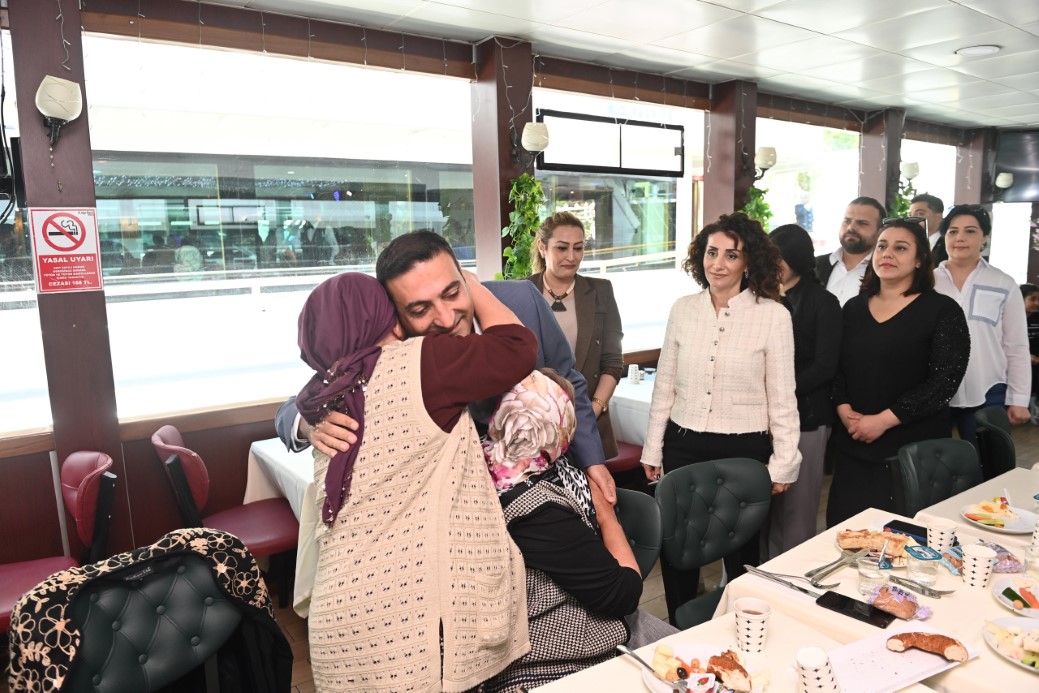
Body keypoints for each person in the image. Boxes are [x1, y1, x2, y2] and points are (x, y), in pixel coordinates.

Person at [297, 272, 535, 692]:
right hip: (405, 610)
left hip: (337, 611)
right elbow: (517, 347)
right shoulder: (423, 359)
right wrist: (469, 286)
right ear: (387, 318)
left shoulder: (323, 396)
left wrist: (300, 424)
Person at [275, 230, 617, 504]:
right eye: (420, 310)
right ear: (395, 316)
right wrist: (307, 423)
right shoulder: (395, 347)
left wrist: (593, 462)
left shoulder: (522, 303)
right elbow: (297, 403)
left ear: (464, 277)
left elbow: (569, 377)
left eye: (453, 293)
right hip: (460, 513)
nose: (446, 317)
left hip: (548, 486)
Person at [640, 212, 801, 623]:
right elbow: (666, 386)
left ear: (748, 263)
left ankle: (741, 626)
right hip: (684, 442)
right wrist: (653, 447)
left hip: (743, 448)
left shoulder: (773, 316)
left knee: (742, 548)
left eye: (732, 255)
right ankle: (679, 629)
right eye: (712, 252)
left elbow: (782, 397)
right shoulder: (683, 309)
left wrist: (784, 461)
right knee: (678, 548)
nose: (719, 263)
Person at [479, 369, 676, 690]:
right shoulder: (535, 506)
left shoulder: (482, 464)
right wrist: (606, 516)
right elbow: (623, 594)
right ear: (561, 426)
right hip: (543, 648)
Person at [826, 219, 970, 527]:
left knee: (903, 544)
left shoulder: (943, 311)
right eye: (882, 246)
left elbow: (944, 382)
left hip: (912, 451)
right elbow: (836, 368)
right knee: (846, 535)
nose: (887, 254)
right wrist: (844, 409)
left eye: (900, 248)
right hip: (853, 444)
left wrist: (883, 420)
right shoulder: (853, 308)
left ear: (919, 260)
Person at [767, 224, 841, 558]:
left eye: (779, 257)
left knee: (797, 507)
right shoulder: (761, 296)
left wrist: (780, 392)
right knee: (761, 507)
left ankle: (791, 579)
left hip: (807, 416)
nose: (773, 263)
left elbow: (825, 367)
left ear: (796, 259)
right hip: (762, 419)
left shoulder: (823, 301)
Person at [527, 211, 625, 459]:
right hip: (535, 426)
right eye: (562, 248)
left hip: (589, 423)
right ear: (542, 247)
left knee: (593, 497)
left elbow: (612, 362)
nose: (571, 257)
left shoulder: (601, 291)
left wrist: (592, 411)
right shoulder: (523, 292)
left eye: (578, 248)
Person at [934, 204, 1031, 445]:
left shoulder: (1003, 283)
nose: (960, 238)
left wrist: (1019, 398)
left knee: (990, 466)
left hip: (988, 389)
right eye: (953, 231)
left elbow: (1016, 345)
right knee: (935, 468)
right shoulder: (927, 282)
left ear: (985, 237)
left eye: (970, 231)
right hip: (933, 391)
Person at [816, 196, 886, 306]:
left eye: (862, 223)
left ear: (880, 232)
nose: (851, 227)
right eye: (847, 221)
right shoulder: (816, 266)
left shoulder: (884, 272)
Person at [909, 193, 947, 264]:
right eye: (910, 215)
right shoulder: (910, 243)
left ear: (938, 217)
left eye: (920, 214)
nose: (912, 219)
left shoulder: (947, 245)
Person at [1022, 284, 1039, 423]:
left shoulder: (1037, 317)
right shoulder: (1010, 317)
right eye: (1033, 299)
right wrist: (1025, 357)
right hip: (1018, 359)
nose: (1037, 303)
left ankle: (1034, 404)